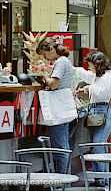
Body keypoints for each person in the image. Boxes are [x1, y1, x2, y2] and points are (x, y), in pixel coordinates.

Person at [76, 51, 111, 186]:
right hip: (95, 112)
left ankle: (101, 178)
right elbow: (85, 75)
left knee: (97, 143)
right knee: (99, 145)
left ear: (97, 65)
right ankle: (102, 176)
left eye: (91, 65)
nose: (89, 67)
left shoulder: (108, 78)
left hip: (103, 112)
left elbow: (101, 92)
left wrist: (88, 88)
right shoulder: (97, 77)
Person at [36, 37, 74, 173]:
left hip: (59, 109)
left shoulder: (61, 62)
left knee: (60, 145)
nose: (46, 58)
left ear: (51, 49)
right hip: (62, 108)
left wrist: (43, 76)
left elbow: (53, 84)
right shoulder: (64, 61)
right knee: (61, 143)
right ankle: (63, 178)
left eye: (45, 54)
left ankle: (63, 180)